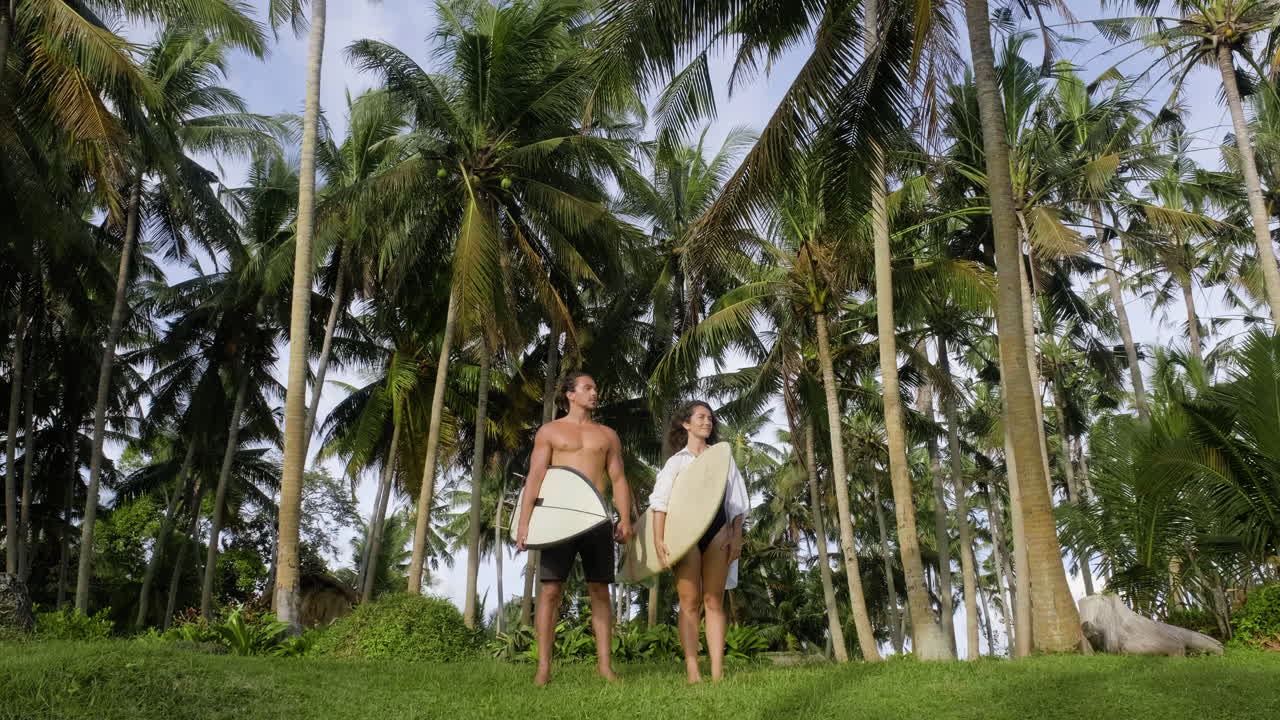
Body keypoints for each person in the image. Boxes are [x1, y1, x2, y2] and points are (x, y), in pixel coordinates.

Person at [515, 371, 633, 686]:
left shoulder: (607, 435)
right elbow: (536, 477)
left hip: (596, 519)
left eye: (596, 387)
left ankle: (605, 667)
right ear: (571, 394)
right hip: (558, 520)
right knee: (551, 590)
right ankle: (543, 668)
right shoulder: (550, 431)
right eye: (588, 387)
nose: (595, 393)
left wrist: (625, 518)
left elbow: (619, 479)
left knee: (600, 590)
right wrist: (525, 524)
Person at [649, 400, 749, 683]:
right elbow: (660, 503)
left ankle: (717, 672)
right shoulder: (676, 462)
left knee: (714, 600)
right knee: (690, 601)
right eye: (701, 417)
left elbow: (736, 501)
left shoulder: (722, 459)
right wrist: (658, 539)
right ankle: (693, 670)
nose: (708, 422)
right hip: (683, 534)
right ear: (686, 424)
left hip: (718, 530)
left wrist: (737, 536)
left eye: (710, 418)